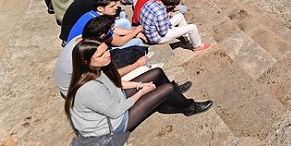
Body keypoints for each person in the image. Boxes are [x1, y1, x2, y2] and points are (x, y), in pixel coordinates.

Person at [65, 39, 213, 137]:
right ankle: (189, 107)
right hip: (112, 125)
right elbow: (116, 111)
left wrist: (139, 85)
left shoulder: (94, 69)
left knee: (156, 73)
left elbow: (116, 84)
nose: (108, 54)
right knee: (167, 88)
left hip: (114, 100)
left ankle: (172, 96)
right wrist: (142, 92)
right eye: (101, 54)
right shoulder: (89, 87)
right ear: (86, 61)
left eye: (106, 50)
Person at [139, 0, 211, 52]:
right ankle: (197, 46)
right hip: (157, 38)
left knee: (180, 16)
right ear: (171, 6)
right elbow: (163, 32)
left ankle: (186, 38)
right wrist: (168, 16)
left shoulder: (150, 2)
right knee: (193, 27)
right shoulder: (161, 14)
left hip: (147, 30)